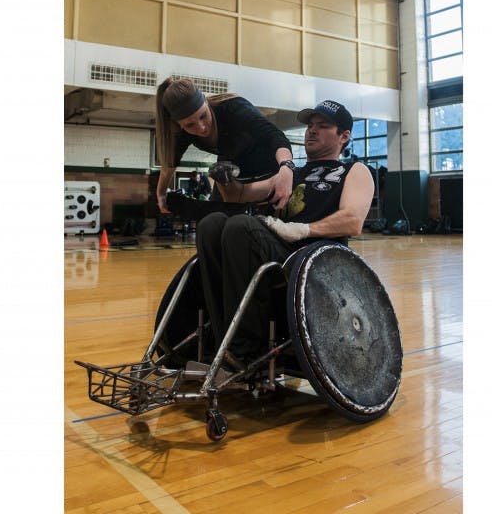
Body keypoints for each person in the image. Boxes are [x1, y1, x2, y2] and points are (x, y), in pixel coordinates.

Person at [195, 100, 374, 361]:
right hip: (280, 250)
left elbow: (352, 220)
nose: (311, 131)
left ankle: (246, 350)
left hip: (314, 260)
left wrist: (301, 230)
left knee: (240, 226)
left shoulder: (354, 170)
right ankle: (223, 340)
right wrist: (225, 179)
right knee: (211, 224)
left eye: (322, 126)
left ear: (344, 136)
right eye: (310, 126)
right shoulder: (292, 173)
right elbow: (241, 195)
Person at [154, 78, 295, 214]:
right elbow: (169, 166)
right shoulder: (181, 134)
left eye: (203, 116)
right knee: (214, 219)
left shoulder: (235, 109)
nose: (202, 128)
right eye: (190, 125)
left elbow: (274, 136)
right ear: (178, 124)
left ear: (206, 102)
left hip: (267, 163)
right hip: (232, 163)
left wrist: (286, 167)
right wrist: (160, 194)